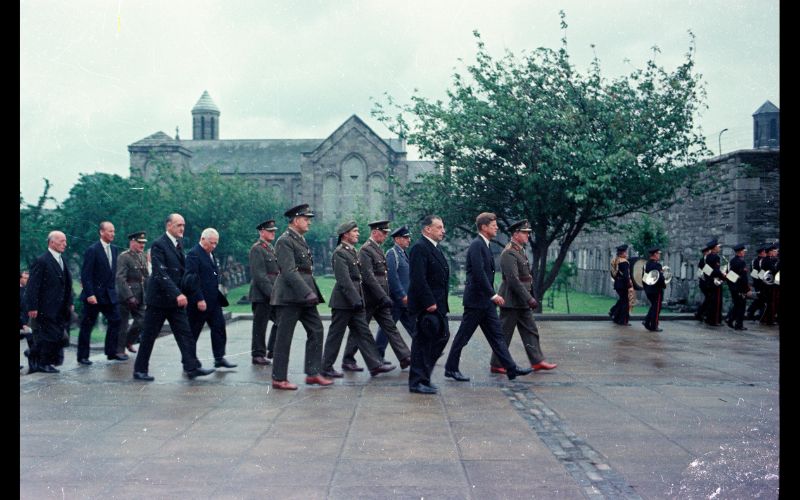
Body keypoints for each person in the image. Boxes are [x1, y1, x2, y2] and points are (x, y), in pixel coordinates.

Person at [443, 212, 532, 382]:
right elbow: (478, 274)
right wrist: (493, 295)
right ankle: (451, 368)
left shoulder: (485, 245)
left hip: (485, 303)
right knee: (463, 337)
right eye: (493, 225)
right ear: (484, 227)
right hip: (476, 302)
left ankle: (511, 369)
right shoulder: (477, 245)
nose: (497, 228)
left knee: (497, 336)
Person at [132, 213, 215, 381]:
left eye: (183, 225)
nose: (182, 228)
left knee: (186, 334)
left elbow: (182, 272)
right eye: (178, 225)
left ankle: (191, 367)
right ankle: (140, 370)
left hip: (175, 302)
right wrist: (177, 294)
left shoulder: (178, 244)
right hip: (159, 302)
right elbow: (160, 273)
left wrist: (191, 292)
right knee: (149, 336)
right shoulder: (158, 245)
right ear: (169, 225)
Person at [321, 221, 395, 378]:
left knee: (364, 333)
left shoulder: (352, 251)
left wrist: (359, 299)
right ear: (345, 234)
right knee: (336, 335)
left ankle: (375, 365)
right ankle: (326, 367)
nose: (358, 234)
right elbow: (344, 280)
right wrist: (355, 299)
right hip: (343, 302)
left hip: (355, 301)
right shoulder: (340, 252)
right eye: (355, 231)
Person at [269, 204, 332, 390]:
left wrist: (308, 292)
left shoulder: (299, 239)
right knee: (284, 337)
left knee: (317, 330)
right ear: (296, 220)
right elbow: (288, 271)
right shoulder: (284, 240)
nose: (309, 223)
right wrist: (307, 291)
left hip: (304, 294)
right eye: (306, 219)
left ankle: (313, 373)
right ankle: (278, 378)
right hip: (289, 296)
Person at [341, 220, 411, 372]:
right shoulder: (366, 250)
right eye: (384, 232)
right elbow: (368, 277)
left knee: (390, 326)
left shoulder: (377, 248)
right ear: (375, 232)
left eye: (387, 233)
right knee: (360, 329)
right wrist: (383, 296)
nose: (386, 236)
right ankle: (348, 359)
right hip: (370, 298)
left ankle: (405, 356)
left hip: (380, 298)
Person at [490, 220, 556, 372]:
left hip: (521, 300)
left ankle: (537, 361)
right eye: (525, 232)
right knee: (505, 333)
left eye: (528, 232)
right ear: (515, 234)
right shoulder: (508, 253)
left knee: (531, 330)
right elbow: (513, 279)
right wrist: (529, 298)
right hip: (512, 300)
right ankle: (496, 364)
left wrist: (528, 297)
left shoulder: (520, 250)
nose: (528, 235)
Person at [407, 215, 451, 394]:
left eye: (442, 227)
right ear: (427, 229)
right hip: (428, 306)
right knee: (422, 343)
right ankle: (417, 382)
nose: (443, 231)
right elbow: (418, 279)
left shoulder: (434, 248)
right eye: (439, 227)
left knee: (442, 336)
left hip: (438, 304)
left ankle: (424, 377)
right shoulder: (419, 248)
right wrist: (429, 302)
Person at [185, 228, 237, 369]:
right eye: (211, 243)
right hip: (199, 302)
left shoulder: (210, 254)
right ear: (203, 239)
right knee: (193, 333)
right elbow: (191, 279)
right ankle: (189, 363)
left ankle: (219, 358)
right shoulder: (193, 254)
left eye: (216, 243)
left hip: (213, 301)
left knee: (219, 328)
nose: (213, 246)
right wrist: (199, 298)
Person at [23, 231, 74, 374]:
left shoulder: (62, 259)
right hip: (46, 307)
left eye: (65, 241)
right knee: (50, 336)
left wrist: (69, 302)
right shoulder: (42, 261)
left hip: (60, 307)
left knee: (57, 336)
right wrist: (32, 306)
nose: (65, 244)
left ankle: (33, 353)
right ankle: (44, 364)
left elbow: (67, 284)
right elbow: (33, 286)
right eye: (61, 241)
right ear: (52, 242)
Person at [77, 221, 124, 365]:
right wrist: (90, 294)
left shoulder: (114, 249)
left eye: (114, 231)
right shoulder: (93, 250)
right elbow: (86, 274)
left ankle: (111, 352)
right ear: (101, 232)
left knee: (116, 320)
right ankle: (83, 356)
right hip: (94, 296)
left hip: (109, 294)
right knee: (87, 325)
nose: (113, 234)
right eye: (110, 231)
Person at [375, 225, 417, 351]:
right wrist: (401, 295)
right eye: (405, 237)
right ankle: (378, 355)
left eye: (408, 237)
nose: (408, 240)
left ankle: (426, 351)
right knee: (387, 329)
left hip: (404, 300)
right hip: (396, 300)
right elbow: (392, 277)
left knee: (413, 326)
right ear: (397, 239)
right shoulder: (392, 254)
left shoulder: (403, 254)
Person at [248, 219, 280, 365]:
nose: (273, 233)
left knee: (280, 321)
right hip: (262, 294)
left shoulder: (270, 248)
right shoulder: (257, 249)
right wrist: (272, 293)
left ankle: (272, 350)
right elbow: (259, 275)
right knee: (260, 326)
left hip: (272, 292)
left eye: (274, 231)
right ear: (261, 232)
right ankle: (258, 355)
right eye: (270, 231)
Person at [115, 231, 149, 357]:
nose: (142, 245)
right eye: (140, 243)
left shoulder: (143, 256)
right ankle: (119, 350)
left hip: (140, 294)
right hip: (126, 295)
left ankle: (129, 341)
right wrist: (129, 296)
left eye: (143, 243)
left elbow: (146, 276)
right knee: (123, 323)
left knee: (142, 320)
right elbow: (120, 278)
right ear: (132, 242)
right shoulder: (124, 257)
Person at [725, 244, 749, 331]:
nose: (744, 253)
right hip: (740, 288)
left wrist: (732, 286)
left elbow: (729, 275)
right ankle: (739, 324)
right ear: (739, 252)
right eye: (743, 251)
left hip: (733, 287)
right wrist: (747, 289)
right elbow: (744, 278)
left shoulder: (732, 261)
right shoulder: (741, 262)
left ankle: (730, 319)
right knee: (741, 306)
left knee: (737, 304)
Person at [642, 247, 666, 332]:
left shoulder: (646, 265)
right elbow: (660, 279)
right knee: (657, 308)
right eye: (658, 253)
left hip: (648, 290)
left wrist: (646, 288)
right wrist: (664, 284)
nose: (659, 255)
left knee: (654, 306)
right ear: (655, 254)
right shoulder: (657, 265)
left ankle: (647, 321)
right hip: (657, 290)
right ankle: (654, 325)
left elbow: (644, 278)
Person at [703, 239, 726, 326]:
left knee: (711, 301)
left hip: (709, 281)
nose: (719, 248)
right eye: (718, 247)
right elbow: (716, 271)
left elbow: (707, 271)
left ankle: (709, 319)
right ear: (714, 248)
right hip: (715, 282)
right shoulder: (716, 257)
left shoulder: (707, 257)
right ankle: (715, 321)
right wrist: (723, 275)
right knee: (716, 302)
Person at [609, 244, 633, 326]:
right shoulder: (624, 262)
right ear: (622, 253)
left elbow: (612, 274)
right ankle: (622, 320)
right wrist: (629, 286)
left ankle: (614, 314)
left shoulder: (614, 260)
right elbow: (626, 276)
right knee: (625, 302)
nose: (626, 254)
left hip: (617, 284)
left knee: (622, 300)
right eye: (625, 252)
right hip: (623, 285)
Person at [745, 245, 767, 321]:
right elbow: (754, 273)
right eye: (765, 252)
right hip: (760, 283)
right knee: (762, 299)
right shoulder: (757, 261)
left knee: (761, 299)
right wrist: (761, 279)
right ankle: (754, 312)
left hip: (760, 282)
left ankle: (752, 312)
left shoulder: (755, 261)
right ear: (762, 253)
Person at [759, 243, 779, 326]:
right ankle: (768, 319)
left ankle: (765, 319)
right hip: (768, 284)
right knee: (769, 303)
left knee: (769, 302)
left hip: (767, 283)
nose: (775, 253)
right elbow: (758, 273)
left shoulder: (769, 260)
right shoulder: (764, 260)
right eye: (773, 251)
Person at [694, 245, 712, 322]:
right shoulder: (703, 261)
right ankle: (700, 313)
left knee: (708, 299)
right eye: (708, 251)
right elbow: (707, 273)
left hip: (706, 282)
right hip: (704, 283)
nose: (709, 252)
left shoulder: (705, 260)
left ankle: (701, 313)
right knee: (708, 298)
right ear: (705, 252)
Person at [20, 270, 30, 338]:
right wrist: (23, 324)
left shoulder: (28, 290)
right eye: (25, 278)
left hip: (28, 322)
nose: (27, 280)